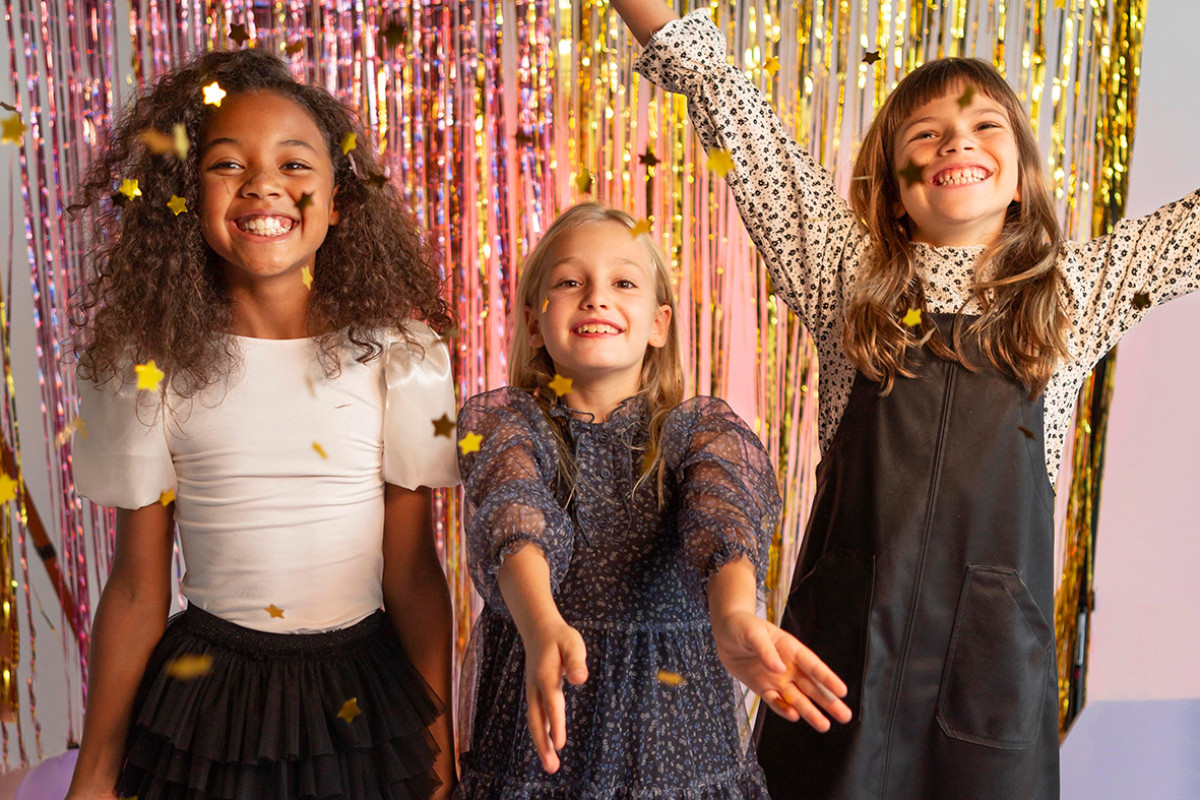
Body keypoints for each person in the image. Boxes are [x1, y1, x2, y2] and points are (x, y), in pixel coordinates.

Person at [610, 2, 1200, 799]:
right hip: (840, 671)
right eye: (925, 134)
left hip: (990, 687)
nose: (956, 140)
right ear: (890, 191)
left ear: (1024, 178)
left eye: (986, 126)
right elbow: (727, 101)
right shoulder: (846, 278)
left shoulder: (1073, 297)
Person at [63, 47, 459, 800]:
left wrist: (440, 757)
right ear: (185, 195)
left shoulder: (405, 359)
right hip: (211, 702)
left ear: (339, 199)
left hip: (361, 700)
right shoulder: (153, 365)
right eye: (226, 165)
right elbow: (139, 591)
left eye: (295, 164)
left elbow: (413, 573)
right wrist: (96, 774)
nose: (263, 184)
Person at [452, 202, 851, 799]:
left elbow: (722, 517)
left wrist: (736, 615)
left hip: (676, 731)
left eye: (623, 282)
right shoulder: (509, 424)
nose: (595, 297)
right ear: (535, 323)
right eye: (568, 281)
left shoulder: (702, 432)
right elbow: (515, 515)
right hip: (542, 729)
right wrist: (541, 626)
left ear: (659, 323)